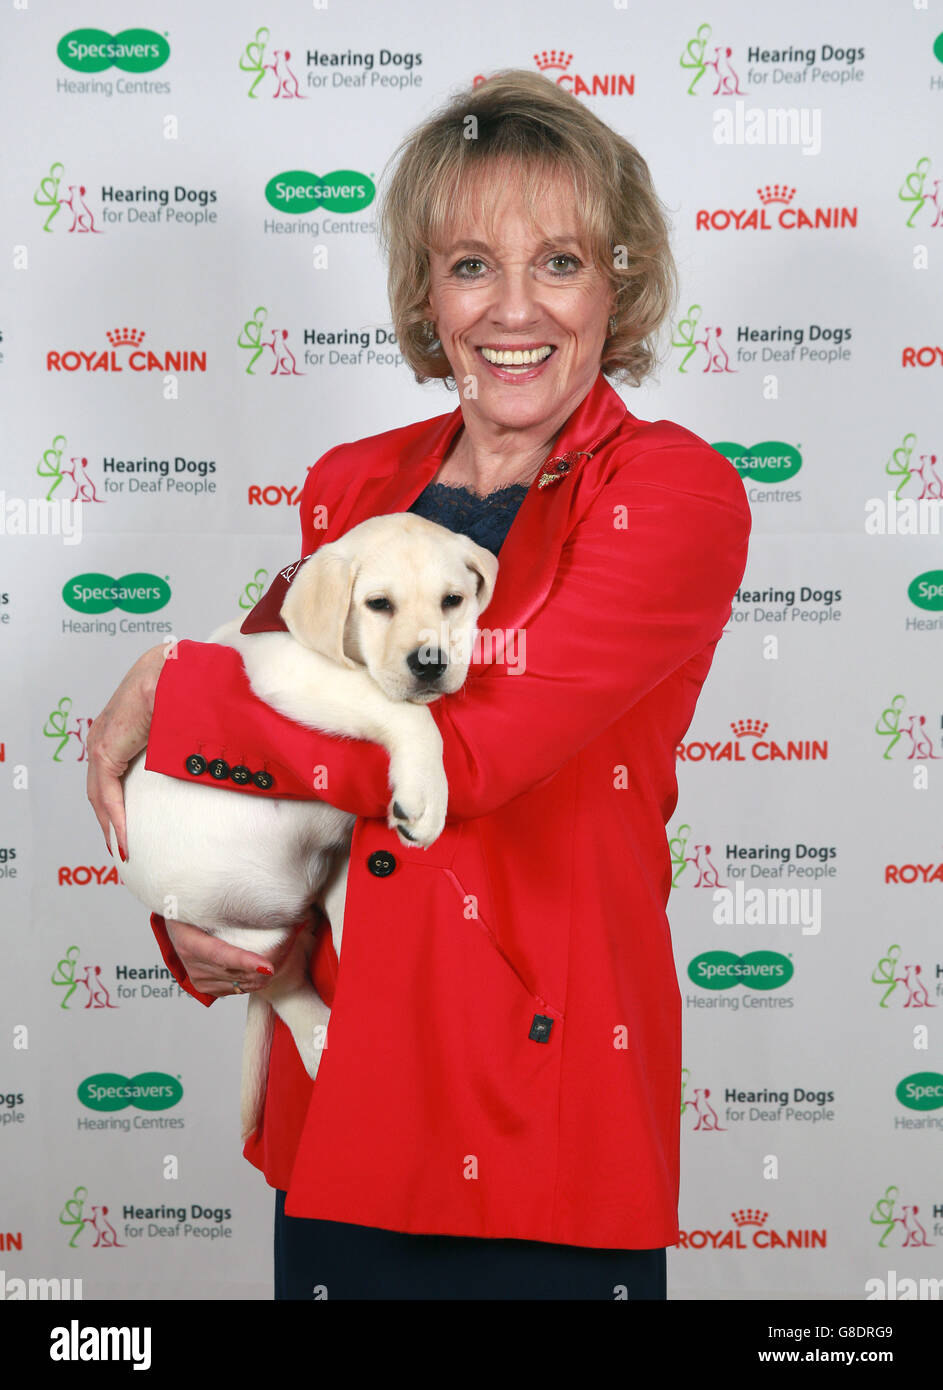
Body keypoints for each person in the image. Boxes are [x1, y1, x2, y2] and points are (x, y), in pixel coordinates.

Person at [87, 69, 751, 1300]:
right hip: (341, 1097)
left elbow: (483, 741)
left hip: (542, 1118)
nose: (513, 308)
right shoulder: (351, 483)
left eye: (558, 261)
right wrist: (220, 927)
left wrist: (166, 679)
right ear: (425, 292)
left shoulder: (671, 493)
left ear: (619, 281)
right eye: (468, 265)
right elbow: (250, 756)